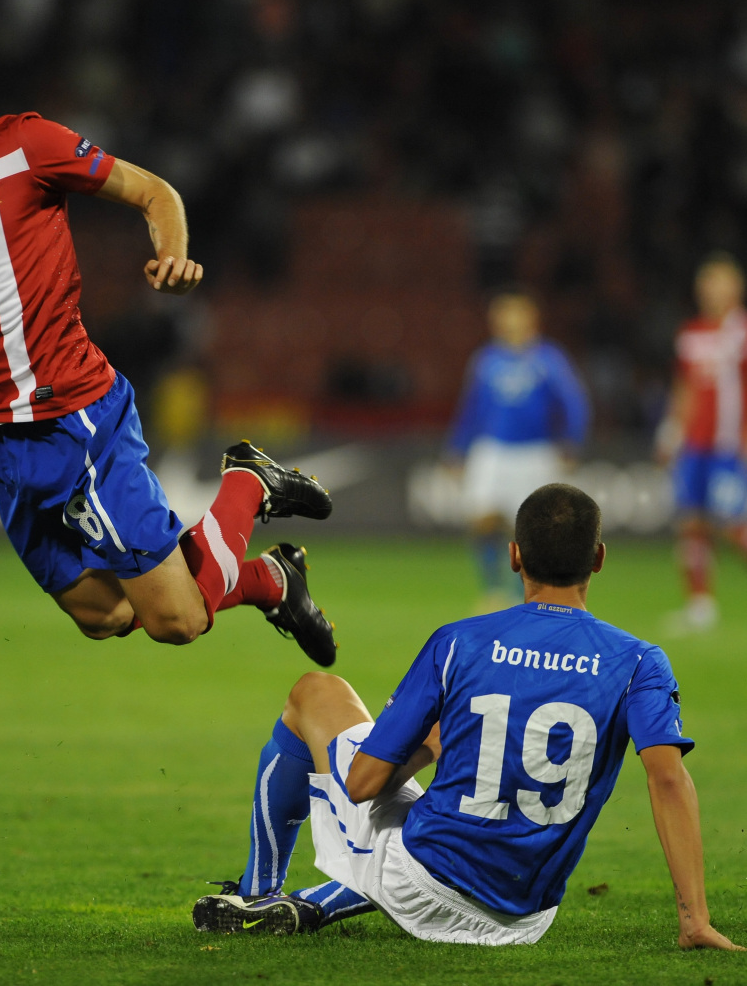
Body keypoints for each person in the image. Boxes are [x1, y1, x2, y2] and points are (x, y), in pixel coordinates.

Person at [0, 5, 336, 667]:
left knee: (175, 620)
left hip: (74, 419)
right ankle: (271, 580)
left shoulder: (23, 145)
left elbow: (155, 193)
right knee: (105, 614)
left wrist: (174, 258)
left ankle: (247, 484)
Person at [192, 483, 741, 951]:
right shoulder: (641, 660)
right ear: (598, 558)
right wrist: (694, 918)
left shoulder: (459, 643)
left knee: (315, 691)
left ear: (513, 556)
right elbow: (668, 778)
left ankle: (259, 886)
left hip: (422, 884)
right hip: (525, 919)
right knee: (435, 822)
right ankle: (317, 903)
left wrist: (431, 744)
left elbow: (363, 785)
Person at [446, 290, 590, 610]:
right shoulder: (486, 360)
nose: (509, 320)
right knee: (482, 518)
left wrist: (572, 442)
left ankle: (520, 595)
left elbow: (574, 403)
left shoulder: (549, 359)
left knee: (529, 528)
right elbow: (471, 409)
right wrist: (457, 448)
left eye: (516, 313)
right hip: (492, 450)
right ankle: (492, 589)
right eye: (503, 314)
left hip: (535, 452)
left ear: (530, 318)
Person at [655, 252, 747, 634]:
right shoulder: (691, 334)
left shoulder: (742, 331)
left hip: (730, 447)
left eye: (721, 281)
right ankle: (700, 605)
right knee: (691, 522)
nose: (712, 290)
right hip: (695, 446)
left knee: (733, 526)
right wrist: (671, 429)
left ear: (736, 286)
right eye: (707, 282)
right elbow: (685, 387)